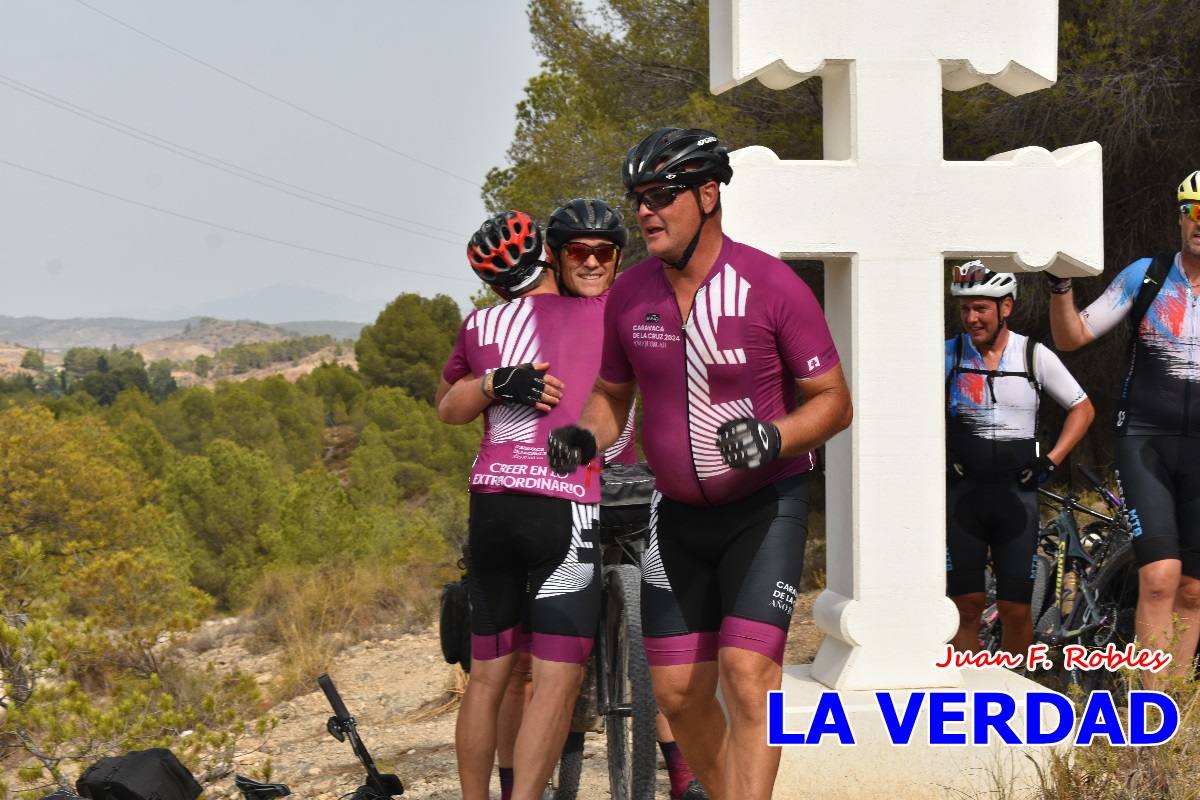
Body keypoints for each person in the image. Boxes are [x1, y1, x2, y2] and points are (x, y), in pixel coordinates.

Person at [547, 127, 852, 800]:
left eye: (662, 196)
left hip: (765, 508)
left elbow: (834, 403)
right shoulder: (629, 296)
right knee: (680, 696)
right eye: (638, 199)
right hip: (676, 516)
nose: (646, 212)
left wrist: (774, 437)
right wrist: (586, 437)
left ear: (709, 195)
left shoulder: (770, 285)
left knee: (748, 677)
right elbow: (611, 396)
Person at [437, 210, 601, 800]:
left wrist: (493, 383)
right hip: (563, 505)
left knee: (486, 680)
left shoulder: (480, 327)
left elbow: (448, 409)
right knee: (558, 682)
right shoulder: (600, 312)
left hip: (492, 509)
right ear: (550, 253)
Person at [1047, 170, 1200, 682]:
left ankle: (1170, 715)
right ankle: (1146, 707)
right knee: (1159, 578)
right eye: (1194, 211)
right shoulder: (1147, 275)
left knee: (1195, 589)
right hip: (1145, 443)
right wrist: (1060, 283)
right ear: (1180, 217)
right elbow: (1073, 336)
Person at [945, 261, 1094, 655]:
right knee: (965, 606)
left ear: (1005, 307)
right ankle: (964, 693)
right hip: (963, 496)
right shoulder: (947, 356)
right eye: (964, 309)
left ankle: (1015, 687)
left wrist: (1050, 461)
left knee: (1015, 608)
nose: (971, 318)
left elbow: (1083, 408)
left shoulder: (1032, 354)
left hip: (1016, 497)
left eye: (981, 308)